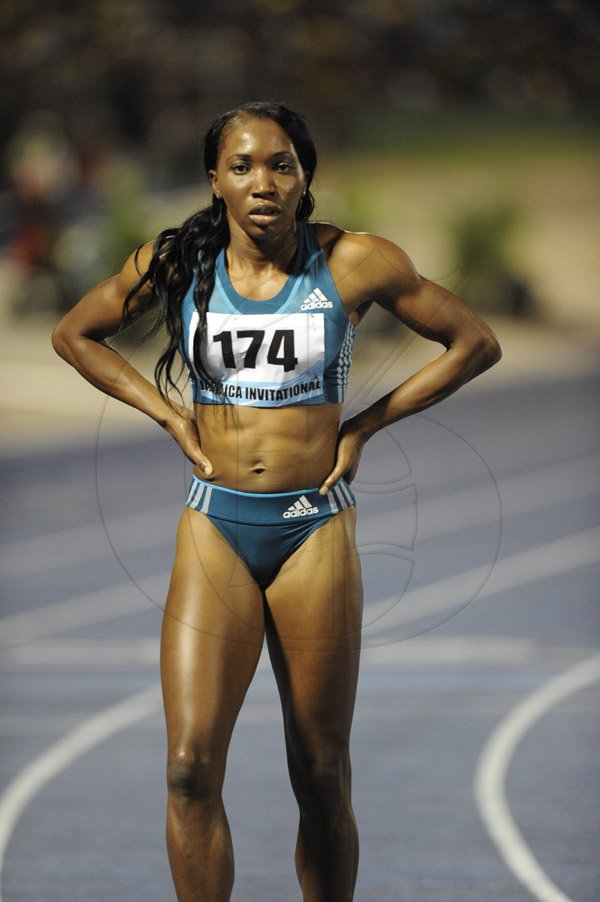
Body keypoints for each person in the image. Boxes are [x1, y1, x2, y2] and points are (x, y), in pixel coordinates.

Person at [51, 101, 501, 901]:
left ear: (306, 179)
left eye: (281, 165)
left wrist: (363, 426)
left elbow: (474, 342)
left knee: (321, 775)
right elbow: (75, 334)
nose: (264, 182)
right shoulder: (178, 263)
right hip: (214, 523)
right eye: (244, 166)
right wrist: (168, 413)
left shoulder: (355, 262)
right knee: (189, 769)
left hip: (310, 531)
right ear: (215, 181)